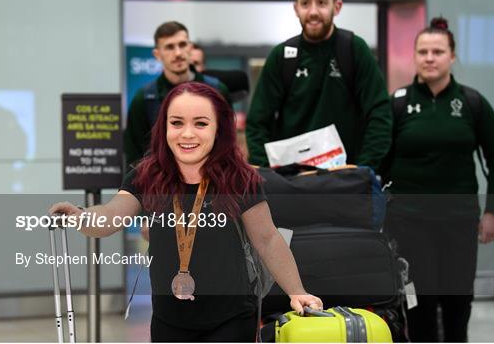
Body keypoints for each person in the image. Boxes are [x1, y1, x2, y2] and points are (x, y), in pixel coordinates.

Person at [50, 82, 322, 342]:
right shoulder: (145, 177)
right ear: (163, 128)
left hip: (232, 318)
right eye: (176, 123)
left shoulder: (238, 179)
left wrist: (297, 292)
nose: (187, 134)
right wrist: (80, 215)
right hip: (169, 320)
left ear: (219, 130)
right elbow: (110, 217)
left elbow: (267, 239)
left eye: (201, 123)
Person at [382, 17, 494, 342]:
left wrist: (492, 212)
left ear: (452, 56)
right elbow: (379, 161)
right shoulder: (397, 102)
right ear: (414, 56)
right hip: (408, 225)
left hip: (458, 222)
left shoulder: (472, 103)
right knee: (417, 304)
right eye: (422, 51)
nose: (429, 58)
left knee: (456, 304)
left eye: (437, 51)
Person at [246, 0, 392, 171]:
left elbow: (380, 114)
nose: (313, 11)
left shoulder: (354, 50)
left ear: (337, 7)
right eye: (306, 3)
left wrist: (363, 169)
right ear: (296, 8)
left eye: (322, 2)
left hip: (344, 181)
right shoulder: (282, 57)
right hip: (291, 184)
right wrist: (268, 173)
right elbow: (257, 123)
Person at [124, 21, 229, 169]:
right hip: (160, 185)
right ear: (157, 54)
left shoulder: (218, 91)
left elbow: (228, 143)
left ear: (190, 48)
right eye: (169, 47)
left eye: (182, 45)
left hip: (213, 182)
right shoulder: (144, 99)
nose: (178, 53)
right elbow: (134, 157)